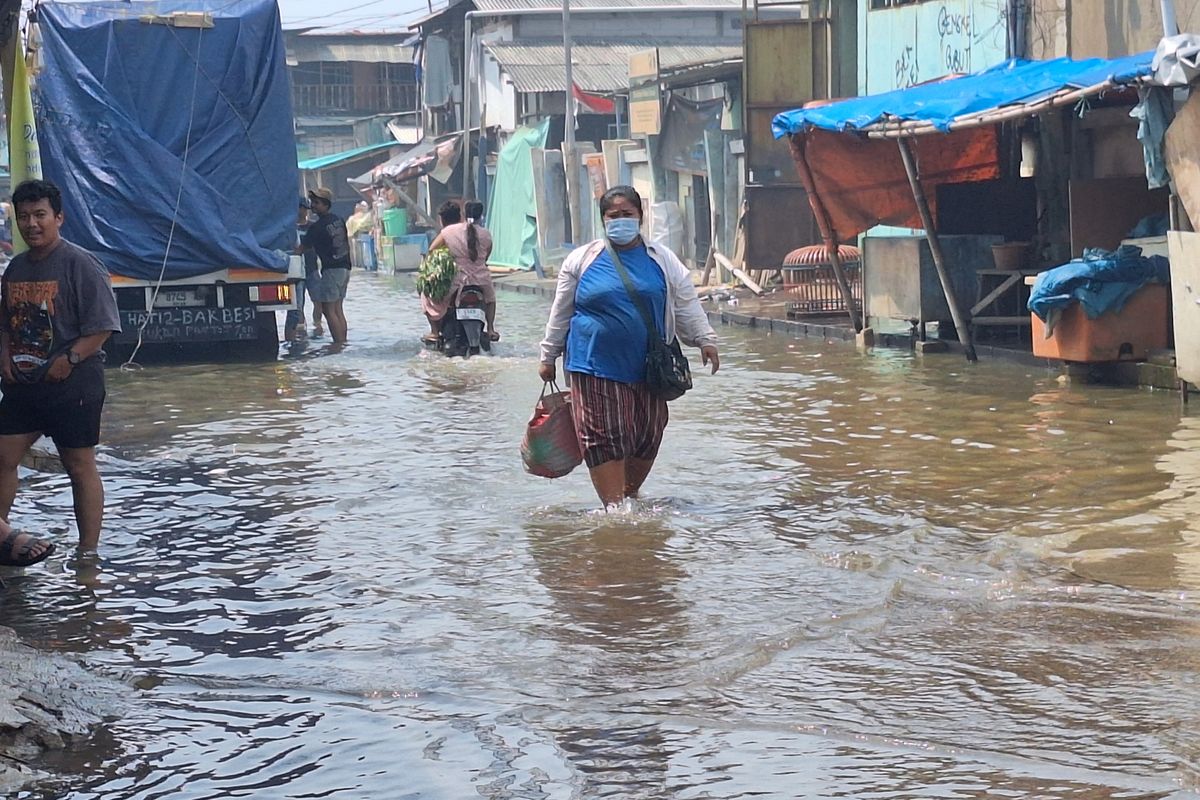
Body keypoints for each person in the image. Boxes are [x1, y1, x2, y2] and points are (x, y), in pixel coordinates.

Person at [538, 185, 719, 509]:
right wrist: (548, 354)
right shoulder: (582, 260)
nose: (621, 221)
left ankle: (629, 498)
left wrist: (705, 340)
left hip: (648, 366)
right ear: (603, 220)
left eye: (627, 215)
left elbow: (685, 302)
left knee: (647, 434)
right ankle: (614, 511)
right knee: (605, 435)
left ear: (640, 216)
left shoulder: (662, 259)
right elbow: (561, 309)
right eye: (613, 216)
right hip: (593, 364)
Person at [0, 179, 122, 563]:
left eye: (40, 215)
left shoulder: (80, 263)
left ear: (59, 218)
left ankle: (88, 553)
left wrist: (68, 360)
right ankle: (3, 538)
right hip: (23, 383)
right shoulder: (15, 268)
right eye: (24, 217)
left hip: (75, 383)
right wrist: (4, 356)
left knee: (79, 463)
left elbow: (103, 326)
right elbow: (5, 323)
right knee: (2, 457)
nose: (32, 224)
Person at [420, 200, 498, 344]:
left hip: (456, 281)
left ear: (464, 214)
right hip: (482, 280)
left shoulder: (448, 232)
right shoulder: (486, 233)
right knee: (490, 300)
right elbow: (486, 255)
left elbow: (432, 250)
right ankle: (491, 328)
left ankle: (435, 332)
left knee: (427, 295)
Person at [297, 187, 350, 344]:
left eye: (317, 203)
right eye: (312, 202)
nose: (313, 206)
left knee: (328, 309)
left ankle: (338, 343)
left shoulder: (317, 227)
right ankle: (343, 342)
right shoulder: (338, 220)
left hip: (332, 270)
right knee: (338, 308)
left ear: (326, 205)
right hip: (345, 268)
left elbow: (300, 249)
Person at [284, 197, 318, 342]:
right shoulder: (290, 228)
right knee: (298, 303)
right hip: (297, 270)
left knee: (318, 299)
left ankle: (317, 324)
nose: (302, 211)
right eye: (300, 207)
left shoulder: (312, 226)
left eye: (304, 208)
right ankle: (300, 327)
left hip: (312, 268)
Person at [345, 200, 374, 269]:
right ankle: (355, 265)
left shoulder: (367, 215)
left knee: (353, 251)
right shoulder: (352, 218)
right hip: (355, 235)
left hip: (358, 235)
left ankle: (355, 265)